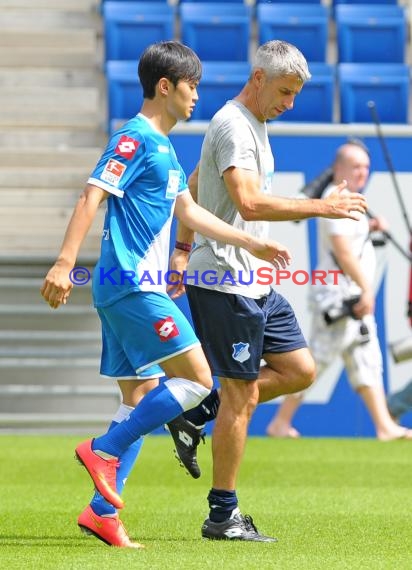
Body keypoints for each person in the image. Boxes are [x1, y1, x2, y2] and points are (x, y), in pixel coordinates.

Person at [40, 41, 292, 548]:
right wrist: (65, 262)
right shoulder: (133, 139)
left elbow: (193, 214)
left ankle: (101, 514)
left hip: (130, 291)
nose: (196, 95)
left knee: (139, 398)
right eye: (191, 85)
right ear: (165, 87)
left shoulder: (168, 151)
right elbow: (92, 194)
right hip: (131, 284)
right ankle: (103, 450)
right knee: (199, 380)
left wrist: (252, 240)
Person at [165, 40, 368, 541]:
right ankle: (222, 516)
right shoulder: (234, 124)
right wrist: (324, 206)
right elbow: (250, 204)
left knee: (300, 369)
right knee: (241, 393)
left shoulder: (251, 124)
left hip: (253, 280)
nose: (289, 104)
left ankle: (199, 413)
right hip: (226, 281)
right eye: (284, 91)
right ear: (258, 79)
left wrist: (182, 248)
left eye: (295, 94)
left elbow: (191, 182)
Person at [265, 141, 412, 441]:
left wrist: (370, 228)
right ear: (339, 168)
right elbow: (342, 252)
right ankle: (280, 422)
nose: (363, 172)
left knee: (366, 361)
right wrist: (367, 290)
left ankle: (384, 425)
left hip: (349, 294)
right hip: (340, 296)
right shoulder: (336, 198)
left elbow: (351, 243)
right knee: (314, 362)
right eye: (356, 166)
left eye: (366, 167)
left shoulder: (349, 199)